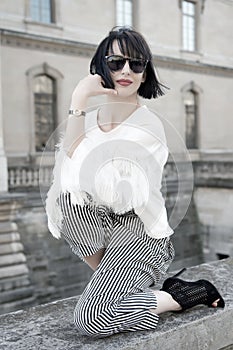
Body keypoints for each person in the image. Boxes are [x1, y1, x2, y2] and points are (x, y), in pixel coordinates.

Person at [45, 27, 225, 338]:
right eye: (115, 62)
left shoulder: (149, 126)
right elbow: (68, 169)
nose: (126, 70)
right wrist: (79, 98)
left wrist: (83, 168)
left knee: (92, 318)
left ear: (145, 73)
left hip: (140, 230)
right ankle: (130, 289)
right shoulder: (88, 120)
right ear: (102, 68)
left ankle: (177, 297)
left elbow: (121, 193)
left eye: (136, 63)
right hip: (107, 227)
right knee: (64, 201)